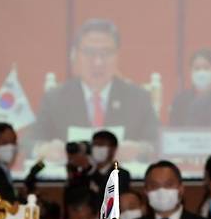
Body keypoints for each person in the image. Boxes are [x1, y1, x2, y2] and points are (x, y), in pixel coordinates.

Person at [31, 18, 158, 162]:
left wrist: (139, 150)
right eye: (90, 52)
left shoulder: (138, 98)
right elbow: (31, 142)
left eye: (106, 53)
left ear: (117, 56)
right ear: (75, 55)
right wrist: (44, 149)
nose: (98, 62)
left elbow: (156, 143)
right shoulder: (55, 98)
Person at [66, 130, 131, 197]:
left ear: (113, 149)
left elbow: (111, 197)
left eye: (101, 145)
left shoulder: (121, 174)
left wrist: (90, 169)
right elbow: (72, 197)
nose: (97, 148)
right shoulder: (85, 172)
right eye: (94, 145)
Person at [169, 49, 211, 126]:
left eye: (206, 68)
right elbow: (173, 128)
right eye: (197, 68)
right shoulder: (180, 99)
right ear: (190, 71)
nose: (202, 73)